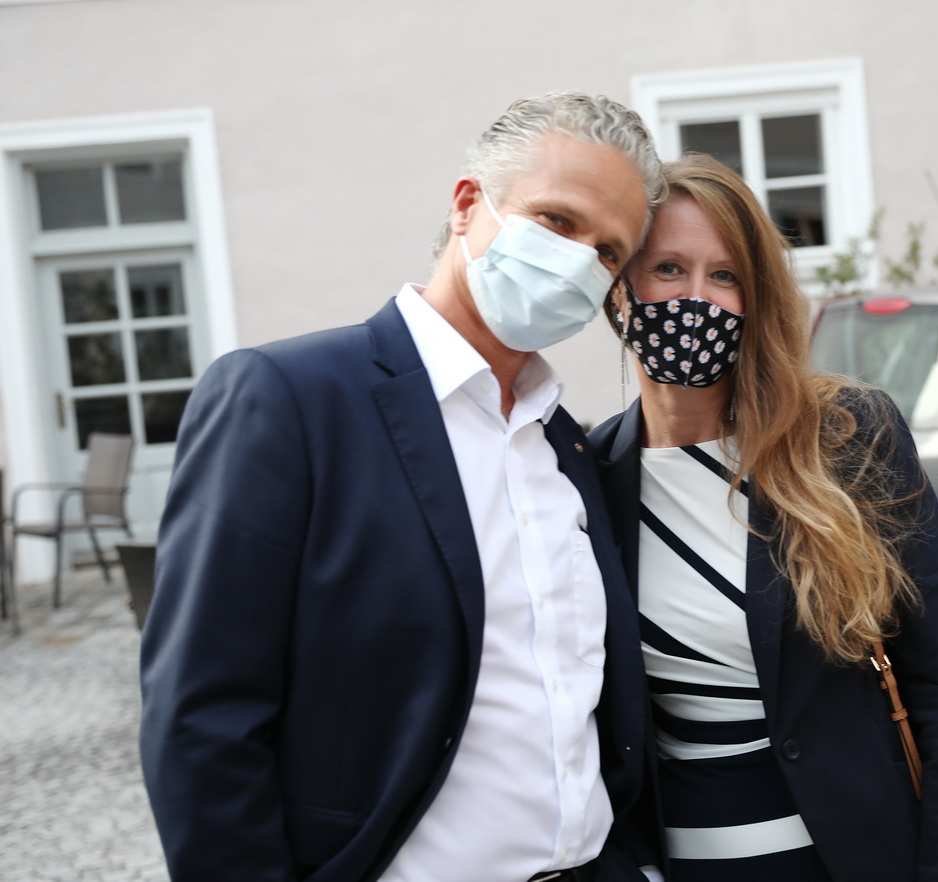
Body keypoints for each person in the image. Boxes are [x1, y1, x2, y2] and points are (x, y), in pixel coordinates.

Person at [139, 93, 666, 882]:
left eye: (608, 253)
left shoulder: (567, 446)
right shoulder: (291, 401)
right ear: (467, 205)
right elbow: (202, 717)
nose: (577, 262)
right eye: (557, 221)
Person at [589, 154, 938, 882]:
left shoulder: (848, 437)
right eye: (668, 269)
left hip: (852, 860)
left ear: (757, 298)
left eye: (725, 276)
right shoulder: (590, 472)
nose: (696, 298)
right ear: (620, 288)